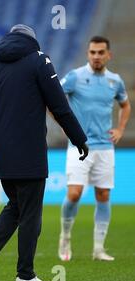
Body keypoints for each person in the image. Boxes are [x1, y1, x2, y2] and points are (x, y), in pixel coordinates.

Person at [0, 24, 88, 281]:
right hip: (30, 150)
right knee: (31, 212)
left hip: (1, 154)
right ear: (32, 40)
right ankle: (25, 275)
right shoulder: (39, 60)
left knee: (18, 206)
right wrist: (78, 138)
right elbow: (60, 107)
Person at [58, 36, 131, 262]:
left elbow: (125, 104)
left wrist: (120, 129)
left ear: (109, 55)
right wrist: (65, 125)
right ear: (88, 54)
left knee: (103, 195)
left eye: (100, 52)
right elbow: (54, 98)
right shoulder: (75, 77)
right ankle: (65, 235)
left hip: (105, 148)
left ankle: (99, 248)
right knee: (74, 193)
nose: (96, 56)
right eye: (92, 52)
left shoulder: (115, 81)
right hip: (80, 146)